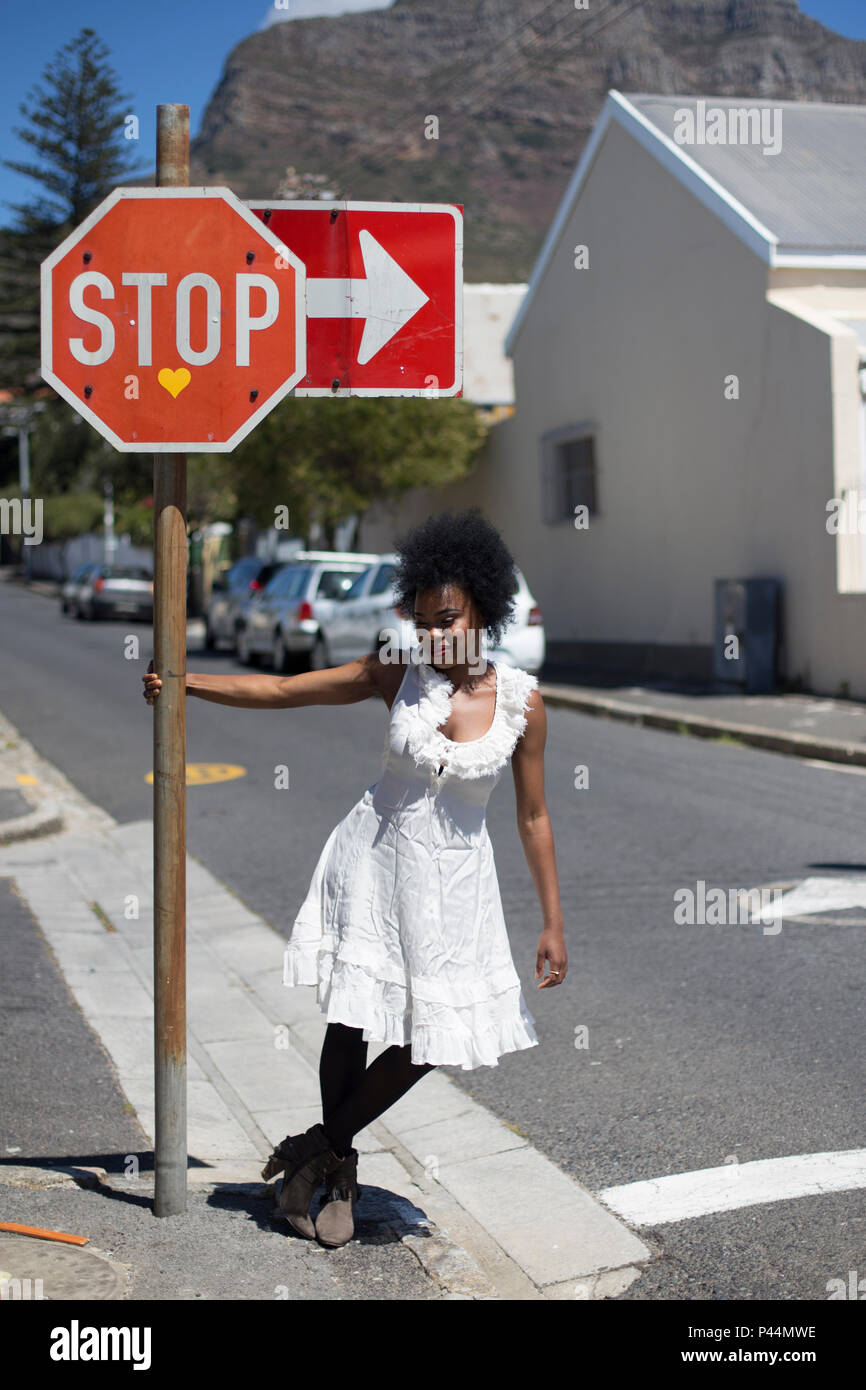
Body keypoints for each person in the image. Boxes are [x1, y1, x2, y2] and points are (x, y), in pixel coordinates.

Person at [142, 508, 567, 1249]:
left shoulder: (524, 705)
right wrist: (185, 683)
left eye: (449, 618)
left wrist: (553, 922)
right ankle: (335, 1176)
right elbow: (283, 691)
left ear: (485, 609)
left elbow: (534, 817)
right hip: (374, 859)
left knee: (433, 1039)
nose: (435, 634)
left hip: (458, 886)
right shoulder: (396, 672)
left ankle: (318, 1144)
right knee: (354, 1017)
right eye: (424, 619)